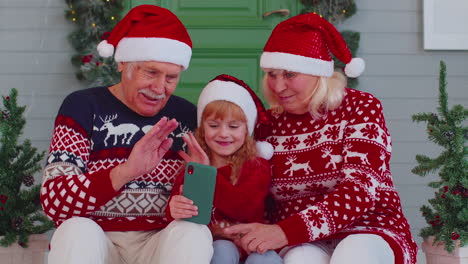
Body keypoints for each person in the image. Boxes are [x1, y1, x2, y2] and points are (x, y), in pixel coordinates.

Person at [224, 13, 418, 264]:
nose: (278, 86)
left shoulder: (360, 107)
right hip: (303, 240)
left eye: (290, 75)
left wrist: (283, 232)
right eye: (272, 74)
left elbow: (359, 191)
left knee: (354, 253)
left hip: (369, 229)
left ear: (318, 74)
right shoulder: (267, 124)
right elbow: (257, 195)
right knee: (299, 259)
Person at [40, 5, 213, 264]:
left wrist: (202, 180)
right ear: (123, 63)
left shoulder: (187, 116)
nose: (159, 88)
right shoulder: (83, 107)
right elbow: (55, 201)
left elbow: (206, 210)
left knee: (195, 232)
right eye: (151, 72)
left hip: (159, 242)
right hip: (98, 242)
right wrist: (125, 172)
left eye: (171, 77)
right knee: (75, 230)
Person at [166, 74, 282, 264]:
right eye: (213, 125)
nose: (223, 133)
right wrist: (175, 209)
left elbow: (243, 208)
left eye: (234, 126)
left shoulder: (256, 166)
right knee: (222, 250)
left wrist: (207, 175)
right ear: (202, 128)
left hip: (253, 245)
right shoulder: (193, 165)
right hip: (214, 247)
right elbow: (175, 214)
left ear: (247, 129)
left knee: (264, 260)